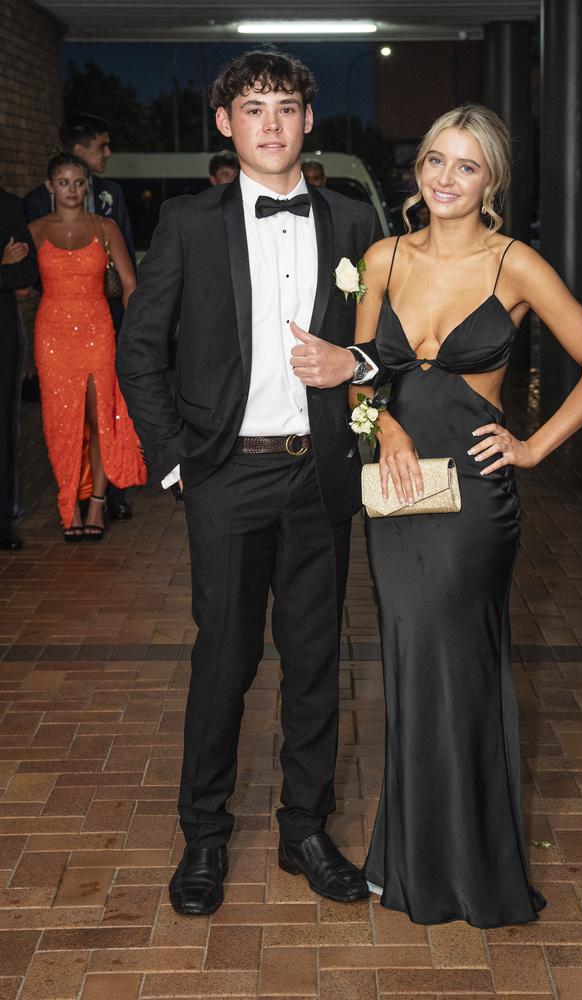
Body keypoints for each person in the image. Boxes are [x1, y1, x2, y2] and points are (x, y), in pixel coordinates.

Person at [116, 48, 384, 917]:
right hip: (227, 476)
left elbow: (397, 342)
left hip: (319, 478)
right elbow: (139, 349)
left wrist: (357, 360)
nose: (271, 123)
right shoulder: (190, 224)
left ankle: (307, 827)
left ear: (310, 122)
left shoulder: (349, 224)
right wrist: (175, 460)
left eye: (286, 107)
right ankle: (205, 834)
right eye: (253, 109)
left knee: (314, 665)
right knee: (224, 662)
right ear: (226, 125)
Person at [343, 105, 582, 927]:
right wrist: (384, 423)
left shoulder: (517, 264)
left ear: (491, 181)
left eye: (466, 166)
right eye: (435, 160)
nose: (445, 178)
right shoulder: (383, 257)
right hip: (396, 493)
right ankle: (409, 855)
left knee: (457, 669)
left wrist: (534, 448)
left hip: (473, 496)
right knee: (408, 665)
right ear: (417, 169)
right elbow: (361, 379)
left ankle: (466, 864)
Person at [24, 113, 136, 522]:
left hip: (97, 329)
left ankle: (97, 506)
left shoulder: (105, 226)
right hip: (52, 331)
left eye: (79, 182)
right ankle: (68, 504)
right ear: (50, 187)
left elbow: (129, 284)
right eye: (64, 183)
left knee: (97, 416)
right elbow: (19, 286)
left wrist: (139, 334)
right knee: (60, 421)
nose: (73, 189)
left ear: (86, 185)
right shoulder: (33, 229)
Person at [0, 189, 38, 551]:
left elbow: (26, 274)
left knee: (5, 430)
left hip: (3, 339)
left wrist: (11, 268)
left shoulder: (9, 206)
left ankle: (2, 522)